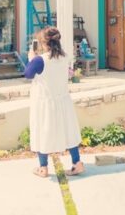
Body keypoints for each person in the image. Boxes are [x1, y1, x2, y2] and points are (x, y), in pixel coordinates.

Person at [25, 27, 84, 178]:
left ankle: (43, 167)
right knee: (69, 131)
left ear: (44, 43)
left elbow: (28, 74)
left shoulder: (39, 60)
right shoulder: (64, 57)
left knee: (42, 132)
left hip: (45, 102)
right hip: (63, 100)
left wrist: (31, 58)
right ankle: (77, 163)